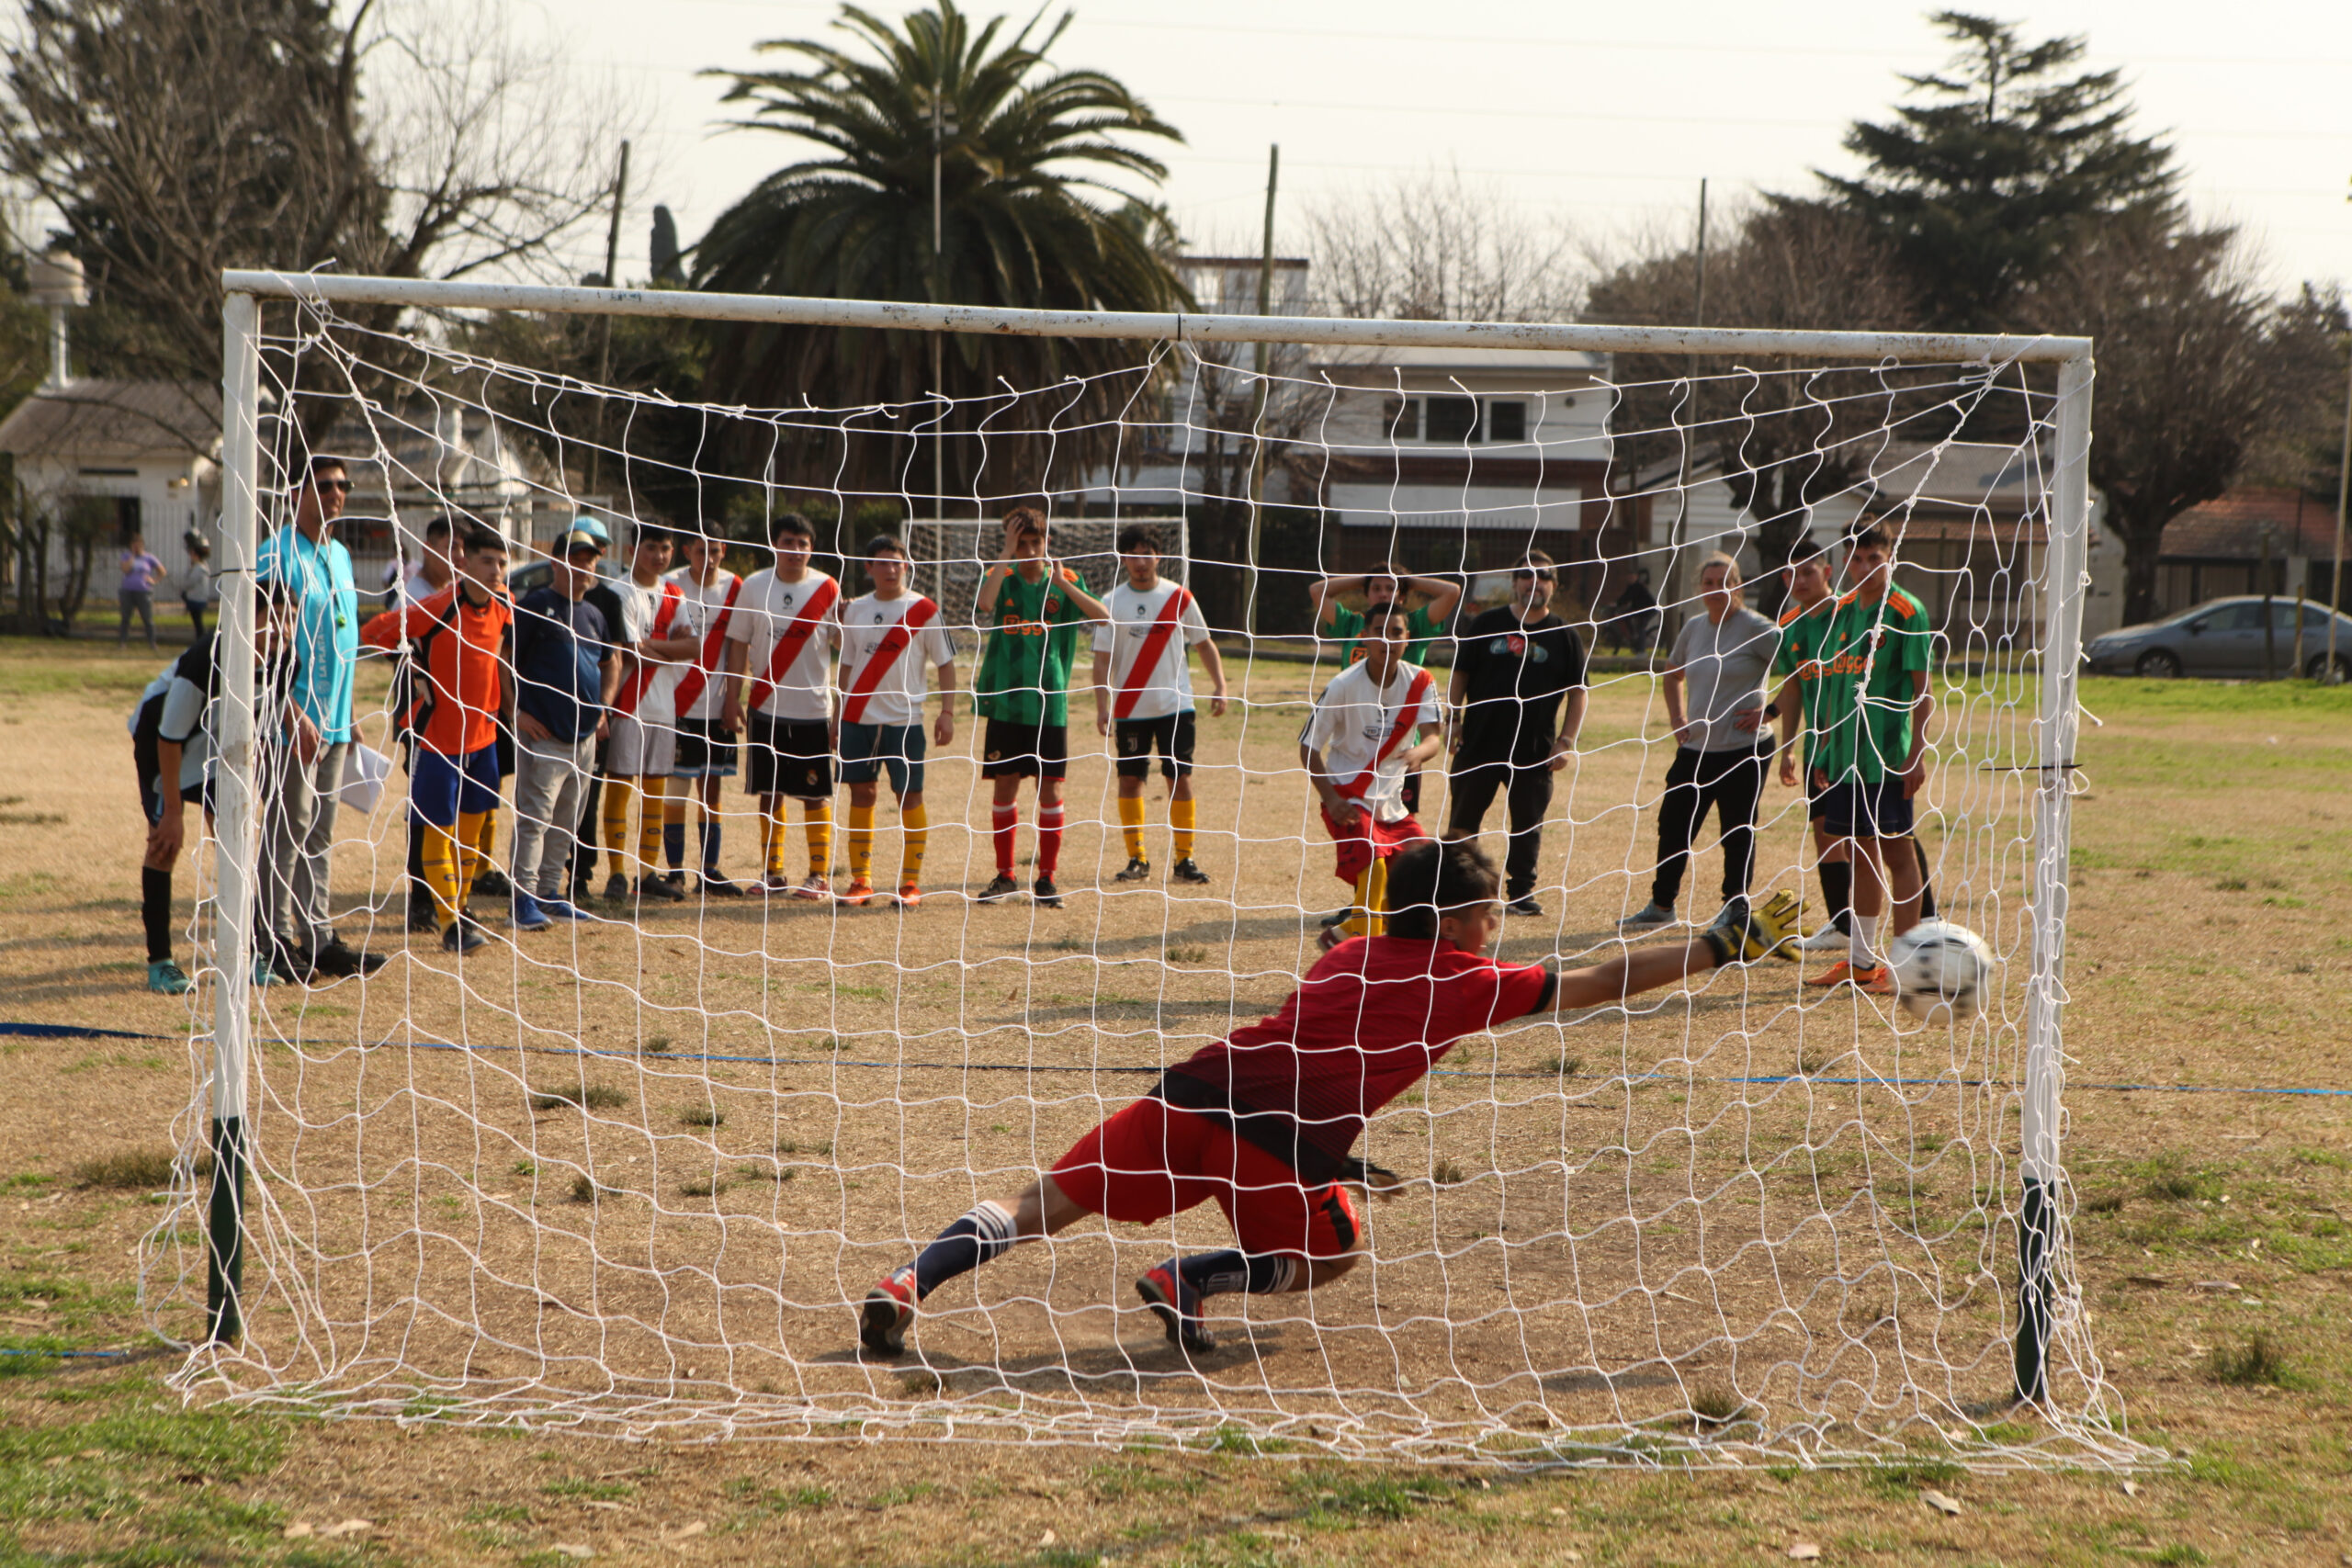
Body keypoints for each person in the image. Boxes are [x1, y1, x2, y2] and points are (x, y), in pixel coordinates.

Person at [855, 838, 1801, 1359]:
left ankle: (909, 1282)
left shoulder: (1348, 950)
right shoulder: (1468, 982)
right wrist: (1719, 948)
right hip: (1273, 1149)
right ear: (1463, 919)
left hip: (1193, 1091)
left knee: (1041, 1207)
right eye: (1490, 909)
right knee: (1335, 1253)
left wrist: (1340, 1149)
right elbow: (1599, 982)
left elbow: (1321, 1051)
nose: (1496, 921)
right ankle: (1196, 1277)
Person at [1771, 525, 1933, 995]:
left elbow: (1923, 692)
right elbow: (1831, 691)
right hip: (1841, 757)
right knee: (1860, 853)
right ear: (1845, 561)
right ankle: (1862, 962)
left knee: (1898, 855)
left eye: (1874, 558)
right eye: (1857, 559)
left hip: (1885, 758)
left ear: (1891, 558)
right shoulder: (1840, 613)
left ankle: (1906, 966)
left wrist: (1916, 756)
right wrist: (1821, 748)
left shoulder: (1906, 611)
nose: (1864, 568)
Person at [131, 585, 307, 992]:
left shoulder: (287, 660)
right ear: (247, 620)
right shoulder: (207, 659)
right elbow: (169, 737)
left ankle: (247, 954)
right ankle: (160, 963)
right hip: (162, 743)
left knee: (236, 839)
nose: (285, 629)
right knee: (166, 843)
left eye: (292, 619)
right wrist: (173, 811)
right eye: (275, 618)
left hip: (217, 747)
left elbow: (265, 707)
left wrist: (294, 718)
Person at [255, 456, 384, 982]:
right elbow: (256, 648)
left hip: (333, 722)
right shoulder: (273, 555)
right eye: (326, 484)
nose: (337, 493)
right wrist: (289, 709)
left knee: (321, 832)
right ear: (296, 492)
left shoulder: (340, 553)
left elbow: (343, 638)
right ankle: (271, 937)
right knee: (289, 827)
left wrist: (349, 716)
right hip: (293, 720)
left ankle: (320, 935)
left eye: (344, 485)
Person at [359, 525, 514, 956]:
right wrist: (414, 670)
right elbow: (374, 631)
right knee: (438, 831)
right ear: (464, 562)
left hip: (484, 740)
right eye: (488, 561)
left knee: (472, 833)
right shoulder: (437, 605)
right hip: (439, 742)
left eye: (503, 563)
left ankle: (460, 910)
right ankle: (449, 923)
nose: (497, 570)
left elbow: (497, 656)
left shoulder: (505, 604)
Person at [1620, 552, 1780, 931]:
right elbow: (1672, 674)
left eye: (1725, 582)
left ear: (1738, 586)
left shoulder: (1759, 628)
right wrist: (1678, 717)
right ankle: (1661, 907)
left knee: (1736, 830)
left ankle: (1735, 907)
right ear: (1700, 588)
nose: (1716, 590)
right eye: (1709, 583)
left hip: (1746, 749)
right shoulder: (1693, 627)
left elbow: (1804, 670)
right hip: (1696, 748)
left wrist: (1769, 712)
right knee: (1674, 824)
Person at [972, 508, 1109, 908]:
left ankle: (1046, 880)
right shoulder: (1004, 576)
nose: (1031, 550)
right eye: (1023, 543)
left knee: (1049, 789)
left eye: (1036, 542)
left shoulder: (1066, 581)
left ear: (1047, 542)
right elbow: (984, 605)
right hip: (1006, 703)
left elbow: (1103, 617)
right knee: (1005, 785)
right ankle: (1006, 876)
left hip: (1050, 705)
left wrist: (1063, 586)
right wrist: (1006, 553)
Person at [1444, 551, 1587, 917]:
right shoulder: (1484, 623)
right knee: (1463, 822)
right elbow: (1459, 674)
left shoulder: (1565, 636)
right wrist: (1453, 720)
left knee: (1528, 825)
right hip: (1479, 742)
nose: (1533, 582)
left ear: (1553, 586)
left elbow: (1579, 693)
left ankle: (1521, 893)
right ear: (1514, 581)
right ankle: (1456, 892)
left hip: (1535, 749)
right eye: (1526, 574)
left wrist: (1566, 742)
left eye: (1543, 576)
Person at [1300, 602, 1444, 950]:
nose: (1388, 640)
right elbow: (1307, 747)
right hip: (1348, 800)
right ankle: (1363, 965)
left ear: (1408, 639)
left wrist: (1418, 753)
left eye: (1396, 632)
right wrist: (1332, 800)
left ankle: (1341, 937)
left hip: (1392, 806)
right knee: (1376, 872)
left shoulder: (1421, 681)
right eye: (1379, 632)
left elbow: (1433, 737)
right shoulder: (1343, 685)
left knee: (1425, 876)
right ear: (1363, 637)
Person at [1091, 524, 1227, 887]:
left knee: (1179, 777)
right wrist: (1102, 704)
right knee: (1130, 779)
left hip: (1176, 705)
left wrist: (1220, 685)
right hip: (1130, 708)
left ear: (1159, 556)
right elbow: (1101, 659)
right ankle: (1137, 858)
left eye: (1146, 553)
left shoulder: (1179, 597)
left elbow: (1204, 643)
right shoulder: (1109, 602)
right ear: (1123, 559)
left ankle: (1185, 859)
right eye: (1133, 554)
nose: (1140, 561)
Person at [718, 513, 842, 900]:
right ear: (776, 545)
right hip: (765, 707)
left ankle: (818, 875)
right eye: (788, 542)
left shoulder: (827, 587)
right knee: (769, 793)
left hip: (813, 710)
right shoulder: (755, 586)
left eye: (803, 544)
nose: (796, 551)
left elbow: (843, 643)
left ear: (812, 548)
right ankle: (773, 873)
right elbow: (738, 643)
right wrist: (731, 696)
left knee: (814, 793)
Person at [833, 534, 958, 908]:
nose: (891, 569)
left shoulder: (924, 609)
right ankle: (861, 882)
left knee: (909, 795)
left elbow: (947, 664)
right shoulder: (855, 610)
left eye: (897, 562)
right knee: (862, 793)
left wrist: (947, 712)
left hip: (906, 721)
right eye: (882, 562)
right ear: (869, 568)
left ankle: (909, 884)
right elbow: (847, 665)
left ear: (907, 565)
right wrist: (837, 715)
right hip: (858, 718)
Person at [506, 527, 619, 930]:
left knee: (568, 819)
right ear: (556, 561)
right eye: (576, 557)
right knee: (534, 818)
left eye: (591, 559)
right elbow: (505, 662)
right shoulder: (535, 605)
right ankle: (521, 899)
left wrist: (603, 708)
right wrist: (516, 712)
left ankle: (551, 893)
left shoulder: (595, 614)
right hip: (544, 736)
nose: (584, 566)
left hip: (585, 739)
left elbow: (612, 662)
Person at [1308, 563, 1460, 817]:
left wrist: (1407, 579)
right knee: (1360, 825)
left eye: (1391, 588)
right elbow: (1317, 590)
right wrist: (1364, 577)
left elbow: (1452, 592)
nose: (1383, 593)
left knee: (1399, 823)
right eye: (1376, 588)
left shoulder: (1413, 624)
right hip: (1357, 741)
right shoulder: (1352, 623)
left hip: (1400, 744)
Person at [596, 526, 684, 903]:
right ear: (633, 549)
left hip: (664, 707)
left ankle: (647, 873)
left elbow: (695, 645)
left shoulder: (675, 593)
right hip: (627, 704)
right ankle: (617, 873)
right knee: (620, 785)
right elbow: (631, 652)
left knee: (655, 790)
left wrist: (654, 647)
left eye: (665, 548)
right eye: (651, 548)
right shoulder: (619, 592)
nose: (659, 556)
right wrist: (669, 649)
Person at [654, 530, 745, 897]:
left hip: (715, 703)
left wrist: (733, 697)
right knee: (675, 791)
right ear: (688, 550)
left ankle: (709, 872)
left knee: (712, 790)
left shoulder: (735, 587)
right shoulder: (668, 583)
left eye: (715, 551)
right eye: (700, 550)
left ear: (724, 552)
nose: (707, 558)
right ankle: (675, 872)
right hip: (675, 703)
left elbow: (738, 646)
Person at [392, 514, 463, 931]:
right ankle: (420, 899)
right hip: (422, 716)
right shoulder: (410, 595)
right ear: (426, 548)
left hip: (460, 716)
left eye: (460, 549)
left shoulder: (460, 594)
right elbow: (398, 651)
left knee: (457, 805)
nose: (454, 556)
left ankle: (453, 891)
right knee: (425, 804)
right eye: (447, 547)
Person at [1605, 570, 1660, 656]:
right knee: (1626, 616)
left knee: (1641, 628)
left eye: (1632, 577)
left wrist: (1617, 603)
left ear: (1636, 577)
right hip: (1639, 609)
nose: (1630, 578)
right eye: (1629, 577)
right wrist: (1616, 603)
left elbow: (1628, 597)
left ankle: (1642, 652)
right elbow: (1625, 596)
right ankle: (1633, 635)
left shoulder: (1638, 586)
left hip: (1649, 609)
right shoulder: (1630, 587)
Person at [175, 535, 214, 640]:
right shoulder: (202, 566)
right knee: (197, 622)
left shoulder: (199, 569)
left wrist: (182, 586)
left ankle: (201, 638)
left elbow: (190, 582)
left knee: (198, 622)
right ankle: (200, 638)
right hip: (198, 598)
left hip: (196, 599)